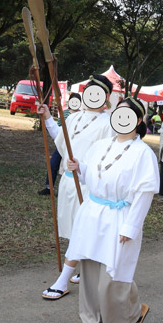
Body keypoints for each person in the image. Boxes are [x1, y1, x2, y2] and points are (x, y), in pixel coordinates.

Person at [63, 97, 158, 323]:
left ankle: (131, 313)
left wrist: (131, 226)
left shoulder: (142, 153)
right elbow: (94, 175)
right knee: (89, 269)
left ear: (138, 120)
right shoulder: (101, 145)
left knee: (113, 273)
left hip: (120, 216)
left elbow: (144, 193)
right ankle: (92, 318)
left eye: (127, 115)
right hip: (92, 214)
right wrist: (79, 168)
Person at [39, 74, 115, 299]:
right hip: (67, 182)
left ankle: (63, 280)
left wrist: (84, 168)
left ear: (106, 97)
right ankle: (86, 267)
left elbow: (106, 157)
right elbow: (60, 139)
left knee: (83, 229)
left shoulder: (107, 123)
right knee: (74, 229)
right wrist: (46, 118)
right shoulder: (73, 117)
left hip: (88, 185)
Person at [38, 93, 82, 196]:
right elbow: (58, 132)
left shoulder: (82, 115)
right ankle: (49, 187)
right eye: (73, 100)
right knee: (53, 164)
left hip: (74, 146)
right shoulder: (64, 113)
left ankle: (68, 190)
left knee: (69, 168)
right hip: (62, 145)